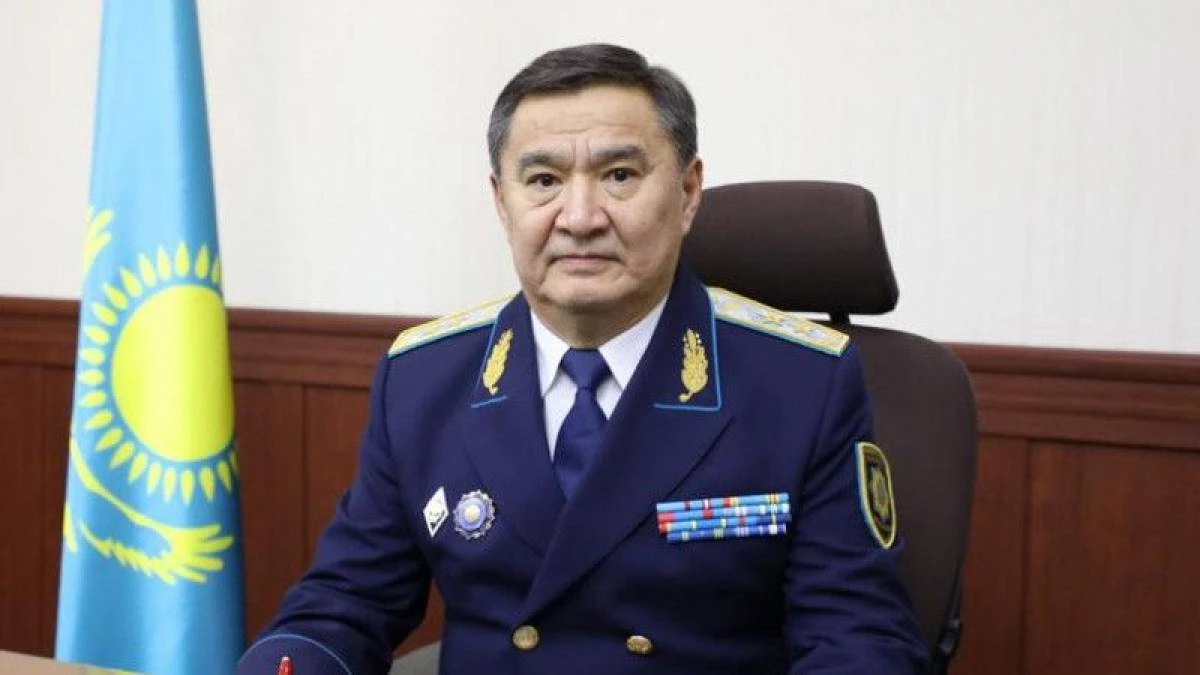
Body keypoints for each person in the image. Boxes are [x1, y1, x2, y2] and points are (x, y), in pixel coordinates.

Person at [237, 43, 927, 674]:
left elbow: (857, 638)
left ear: (688, 193)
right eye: (543, 180)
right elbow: (346, 601)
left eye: (619, 175)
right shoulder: (423, 379)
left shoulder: (802, 385)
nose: (580, 217)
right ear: (501, 201)